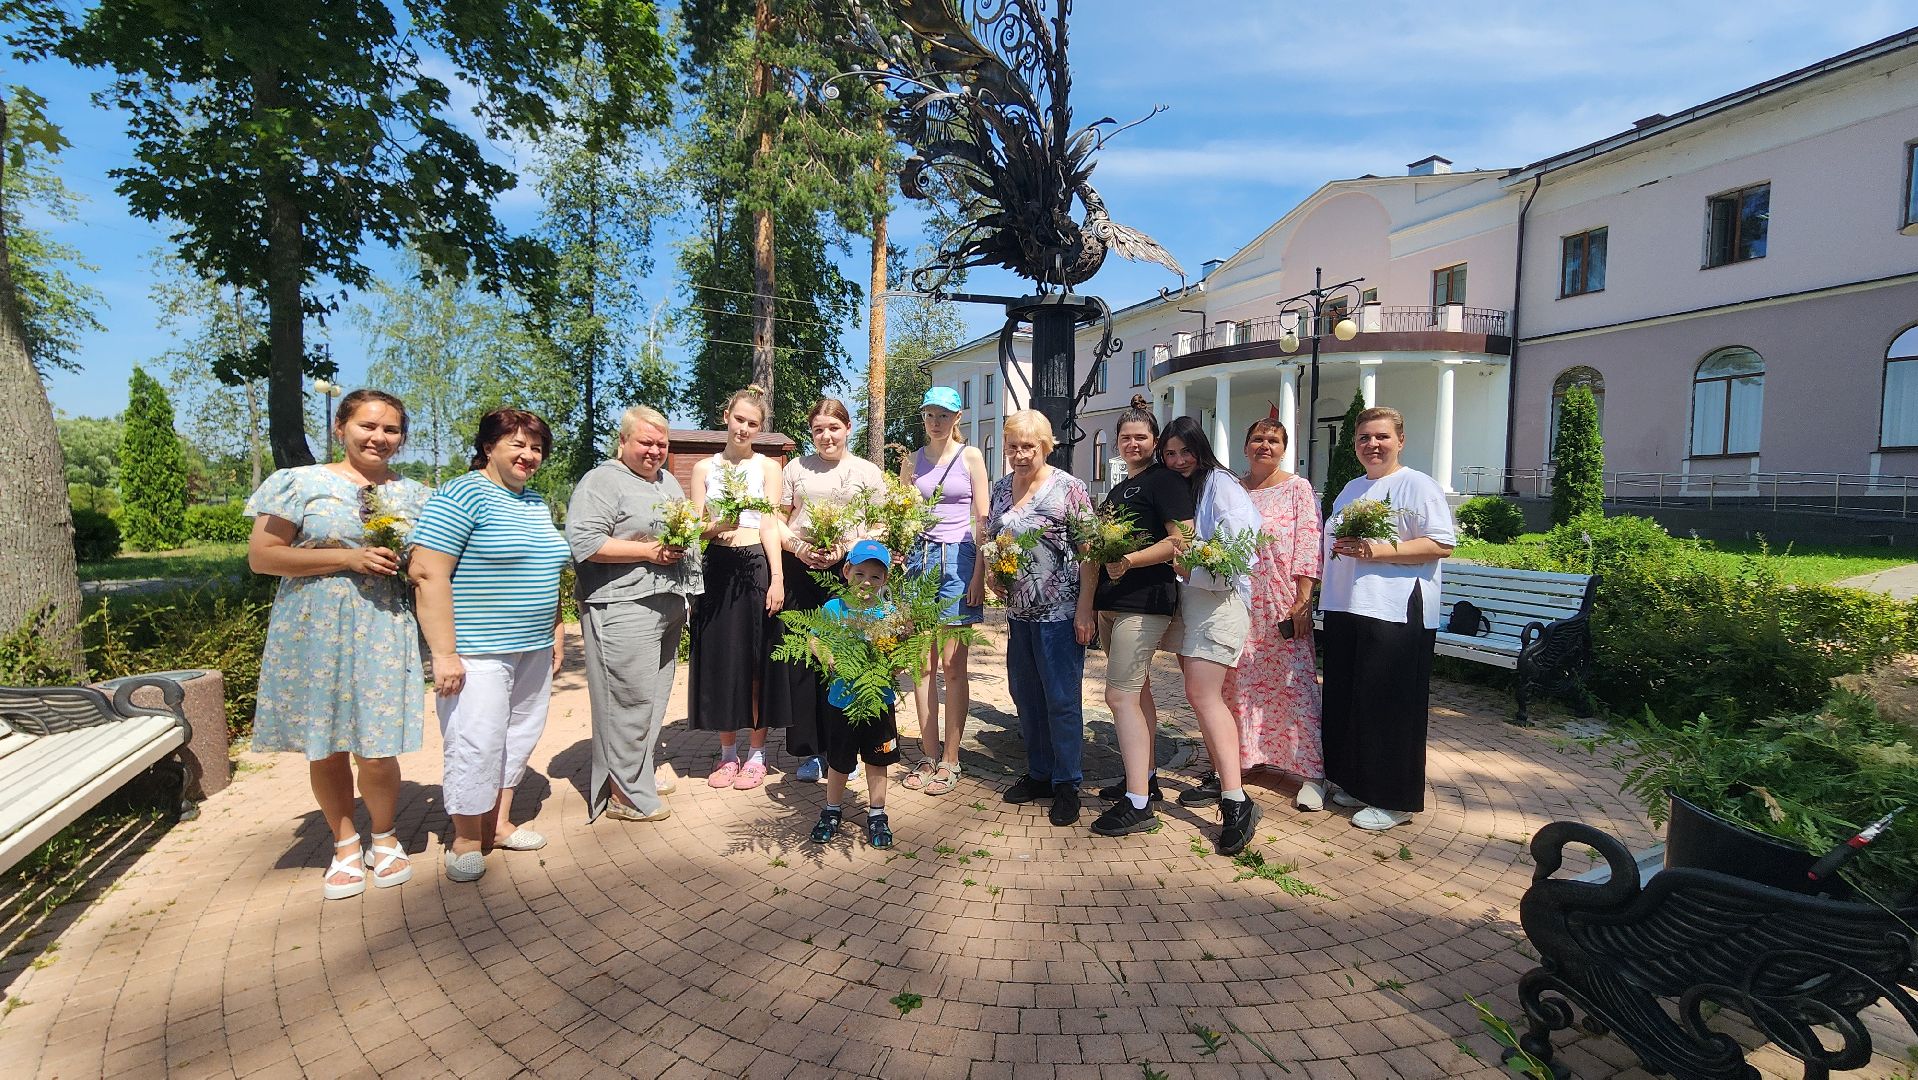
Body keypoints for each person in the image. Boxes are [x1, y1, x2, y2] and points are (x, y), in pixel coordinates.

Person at [245, 389, 430, 900]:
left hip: (384, 626)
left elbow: (430, 567)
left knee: (377, 744)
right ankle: (345, 841)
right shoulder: (298, 483)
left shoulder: (416, 495)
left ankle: (386, 835)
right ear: (341, 428)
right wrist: (346, 560)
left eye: (390, 429)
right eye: (368, 426)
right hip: (314, 628)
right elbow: (263, 557)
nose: (379, 437)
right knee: (325, 742)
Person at [410, 408, 571, 883]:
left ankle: (498, 825)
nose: (529, 455)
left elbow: (546, 566)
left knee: (518, 736)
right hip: (478, 649)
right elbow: (426, 572)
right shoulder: (461, 494)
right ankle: (464, 838)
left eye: (536, 448)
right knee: (475, 742)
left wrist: (557, 626)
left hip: (534, 646)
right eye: (517, 444)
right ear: (488, 447)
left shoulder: (534, 501)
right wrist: (444, 653)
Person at [1320, 406, 1458, 831]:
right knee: (1349, 698)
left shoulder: (1418, 485)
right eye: (1364, 438)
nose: (1372, 445)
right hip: (1348, 604)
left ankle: (1395, 799)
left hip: (1396, 608)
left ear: (1400, 440)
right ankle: (1356, 781)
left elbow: (1441, 544)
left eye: (1381, 437)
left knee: (1391, 705)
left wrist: (1379, 551)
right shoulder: (1351, 488)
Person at [566, 406, 702, 824]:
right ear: (623, 441)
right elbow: (584, 541)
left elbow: (686, 534)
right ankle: (625, 794)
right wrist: (648, 552)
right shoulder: (603, 480)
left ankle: (635, 774)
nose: (655, 450)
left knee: (652, 698)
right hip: (622, 605)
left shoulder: (665, 484)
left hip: (665, 603)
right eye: (645, 442)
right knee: (627, 699)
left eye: (661, 444)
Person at [1087, 397, 1195, 838]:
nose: (1133, 443)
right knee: (1139, 693)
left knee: (1119, 697)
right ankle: (1145, 780)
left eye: (1141, 437)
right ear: (1117, 443)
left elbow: (1182, 541)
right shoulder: (1118, 490)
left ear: (1154, 441)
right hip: (1114, 602)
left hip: (1144, 601)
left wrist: (1131, 560)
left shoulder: (1164, 482)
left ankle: (1138, 804)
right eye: (1126, 437)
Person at [1158, 416, 1266, 855]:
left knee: (1204, 696)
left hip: (1220, 603)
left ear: (1201, 450)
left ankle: (1237, 801)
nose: (1179, 460)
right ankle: (1225, 780)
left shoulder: (1220, 484)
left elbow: (1241, 548)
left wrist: (1193, 569)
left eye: (1186, 451)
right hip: (1194, 602)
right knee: (1200, 696)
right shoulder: (1187, 488)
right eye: (1170, 453)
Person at [985, 409, 1095, 826]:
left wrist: (1085, 608)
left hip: (1061, 613)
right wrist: (995, 573)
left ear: (1046, 446)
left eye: (1028, 446)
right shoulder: (1000, 490)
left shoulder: (1069, 488)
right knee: (1025, 697)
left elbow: (1089, 552)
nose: (1019, 454)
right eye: (1013, 446)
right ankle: (1040, 773)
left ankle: (1068, 783)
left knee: (1062, 700)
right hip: (1019, 615)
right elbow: (993, 540)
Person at [772, 398, 886, 782]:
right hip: (801, 569)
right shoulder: (796, 469)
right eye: (818, 429)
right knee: (805, 658)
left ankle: (846, 749)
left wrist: (847, 551)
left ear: (848, 428)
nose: (826, 436)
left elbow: (879, 523)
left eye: (833, 428)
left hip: (851, 572)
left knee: (850, 659)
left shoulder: (867, 472)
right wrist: (800, 548)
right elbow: (777, 520)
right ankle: (810, 751)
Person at [687, 387, 786, 789]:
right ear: (726, 415)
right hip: (717, 567)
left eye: (753, 423)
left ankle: (757, 753)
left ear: (760, 428)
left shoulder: (768, 468)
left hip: (755, 565)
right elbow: (695, 527)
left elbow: (770, 523)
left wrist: (777, 578)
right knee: (721, 661)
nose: (744, 428)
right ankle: (728, 754)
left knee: (756, 662)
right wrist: (718, 525)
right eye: (739, 419)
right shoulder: (702, 469)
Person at [1227, 418, 1326, 812]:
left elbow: (1308, 544)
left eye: (1273, 440)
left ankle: (1311, 773)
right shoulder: (1234, 488)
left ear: (1284, 447)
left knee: (1295, 686)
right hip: (1239, 601)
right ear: (1245, 446)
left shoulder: (1297, 488)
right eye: (1257, 439)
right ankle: (1245, 758)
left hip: (1283, 601)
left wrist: (1303, 601)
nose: (1264, 445)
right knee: (1239, 684)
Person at [899, 386, 988, 797]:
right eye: (929, 414)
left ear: (957, 418)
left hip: (959, 559)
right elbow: (903, 516)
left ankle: (951, 758)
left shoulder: (970, 457)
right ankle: (928, 752)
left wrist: (978, 575)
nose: (935, 422)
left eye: (943, 414)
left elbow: (982, 519)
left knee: (953, 665)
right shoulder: (911, 461)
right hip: (919, 561)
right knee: (922, 665)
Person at [805, 540, 905, 848]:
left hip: (878, 702)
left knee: (878, 760)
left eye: (875, 576)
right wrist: (825, 654)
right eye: (860, 573)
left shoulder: (890, 613)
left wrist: (900, 656)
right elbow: (814, 637)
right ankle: (832, 810)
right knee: (839, 762)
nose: (867, 582)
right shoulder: (833, 608)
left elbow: (901, 653)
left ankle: (877, 814)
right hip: (842, 702)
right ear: (846, 572)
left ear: (885, 580)